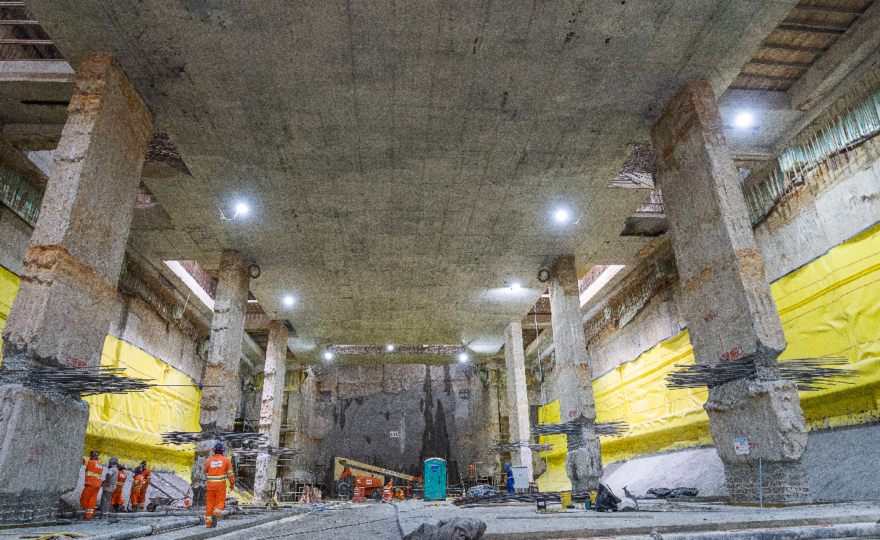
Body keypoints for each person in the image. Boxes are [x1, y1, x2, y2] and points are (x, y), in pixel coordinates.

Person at [204, 443, 235, 528]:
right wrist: (232, 483)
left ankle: (208, 523)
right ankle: (216, 513)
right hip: (220, 486)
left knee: (210, 503)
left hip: (210, 486)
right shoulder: (226, 460)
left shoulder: (209, 460)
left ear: (214, 450)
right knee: (220, 502)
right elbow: (230, 473)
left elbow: (206, 470)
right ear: (222, 450)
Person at [80, 451, 103, 519]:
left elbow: (81, 460)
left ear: (92, 456)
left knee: (83, 500)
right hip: (97, 485)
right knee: (92, 500)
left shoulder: (90, 462)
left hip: (91, 484)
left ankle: (91, 512)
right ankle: (89, 516)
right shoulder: (100, 465)